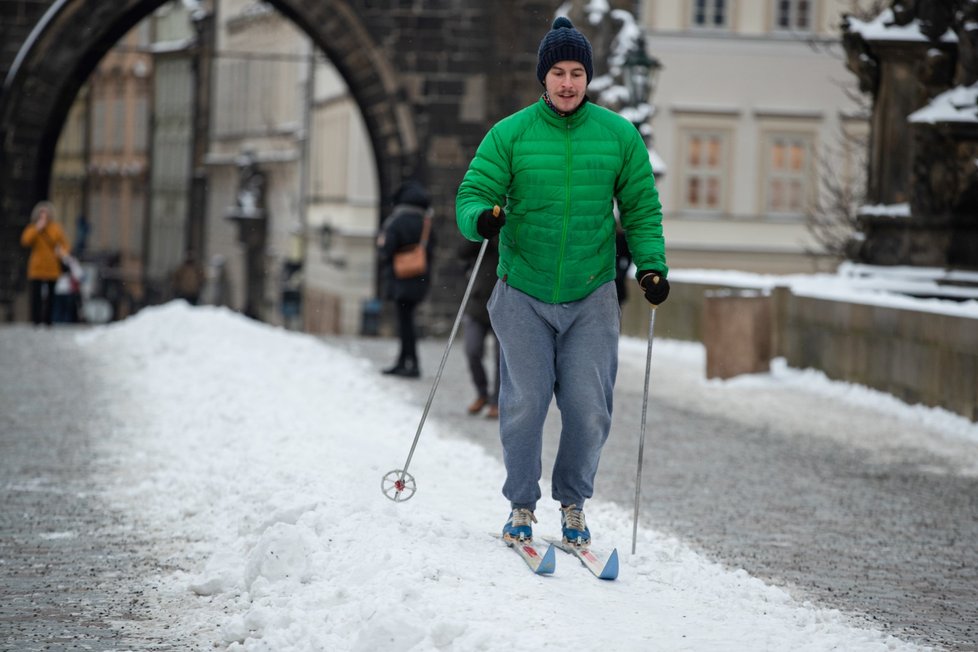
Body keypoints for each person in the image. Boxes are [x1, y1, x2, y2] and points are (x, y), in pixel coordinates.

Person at [455, 16, 670, 548]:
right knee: (525, 402)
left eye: (577, 72)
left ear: (588, 77)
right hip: (523, 290)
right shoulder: (510, 133)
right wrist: (482, 218)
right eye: (558, 72)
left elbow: (642, 209)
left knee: (588, 407)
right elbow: (470, 195)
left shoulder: (618, 135)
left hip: (591, 291)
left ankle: (573, 504)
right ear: (543, 78)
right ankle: (521, 507)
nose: (568, 82)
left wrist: (651, 265)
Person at [376, 179, 436, 378]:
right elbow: (432, 249)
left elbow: (386, 249)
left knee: (405, 322)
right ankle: (405, 360)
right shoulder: (426, 221)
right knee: (408, 320)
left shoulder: (397, 220)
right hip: (419, 278)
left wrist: (383, 244)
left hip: (401, 278)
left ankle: (410, 363)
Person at [457, 236, 500, 419]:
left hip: (504, 304)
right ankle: (482, 393)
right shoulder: (485, 227)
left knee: (502, 358)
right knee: (472, 349)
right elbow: (462, 251)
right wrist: (484, 230)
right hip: (478, 301)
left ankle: (497, 401)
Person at [20, 201, 71, 326]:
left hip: (52, 266)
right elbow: (25, 241)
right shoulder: (33, 227)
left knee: (51, 295)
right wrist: (37, 229)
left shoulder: (55, 228)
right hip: (37, 266)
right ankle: (36, 320)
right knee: (36, 295)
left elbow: (65, 245)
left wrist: (61, 252)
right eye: (41, 214)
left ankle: (48, 320)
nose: (43, 216)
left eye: (45, 213)